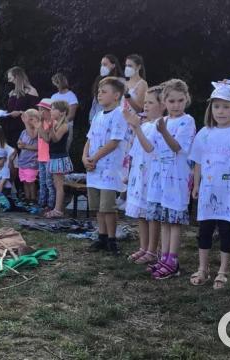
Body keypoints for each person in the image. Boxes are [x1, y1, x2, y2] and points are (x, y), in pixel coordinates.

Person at [188, 85, 230, 289]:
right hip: (208, 191)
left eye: (225, 107)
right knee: (204, 230)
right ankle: (203, 268)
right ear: (210, 109)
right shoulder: (204, 132)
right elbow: (197, 161)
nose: (220, 111)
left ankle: (223, 270)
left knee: (226, 230)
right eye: (216, 107)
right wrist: (196, 184)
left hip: (229, 192)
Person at [147, 79, 196, 280]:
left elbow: (177, 147)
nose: (176, 105)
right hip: (162, 179)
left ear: (186, 100)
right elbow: (153, 149)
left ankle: (173, 260)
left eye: (180, 101)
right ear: (164, 102)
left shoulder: (188, 121)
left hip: (177, 178)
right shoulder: (162, 122)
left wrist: (164, 132)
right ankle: (164, 256)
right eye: (172, 101)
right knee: (165, 220)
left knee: (174, 221)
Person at [84, 77, 128, 255]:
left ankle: (112, 239)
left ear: (116, 95)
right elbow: (89, 138)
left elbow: (114, 142)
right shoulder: (97, 115)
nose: (99, 94)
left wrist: (94, 158)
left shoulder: (119, 114)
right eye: (99, 91)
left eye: (104, 92)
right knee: (97, 207)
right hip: (94, 169)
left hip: (109, 169)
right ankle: (101, 237)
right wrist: (84, 157)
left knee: (108, 207)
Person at [123, 86, 165, 265]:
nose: (145, 106)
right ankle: (143, 247)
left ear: (162, 105)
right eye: (145, 102)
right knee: (141, 213)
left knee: (151, 215)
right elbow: (134, 151)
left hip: (152, 175)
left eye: (150, 102)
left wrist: (136, 128)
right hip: (139, 174)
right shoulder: (145, 124)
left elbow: (151, 149)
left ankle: (152, 250)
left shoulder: (161, 125)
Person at [41, 100, 74, 218]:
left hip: (60, 157)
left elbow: (56, 139)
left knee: (59, 185)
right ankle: (57, 209)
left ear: (62, 112)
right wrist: (40, 123)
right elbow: (46, 138)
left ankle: (58, 210)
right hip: (54, 156)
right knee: (56, 185)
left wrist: (50, 128)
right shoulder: (55, 124)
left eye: (54, 109)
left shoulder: (65, 125)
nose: (51, 111)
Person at [0, 67, 40, 150]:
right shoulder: (12, 92)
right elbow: (8, 109)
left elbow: (35, 112)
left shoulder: (31, 91)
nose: (9, 81)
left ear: (17, 77)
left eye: (10, 78)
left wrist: (20, 112)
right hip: (9, 128)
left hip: (23, 128)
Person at [89, 55, 122, 124]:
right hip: (97, 118)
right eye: (101, 65)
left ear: (113, 65)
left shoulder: (120, 81)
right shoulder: (99, 80)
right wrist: (91, 118)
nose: (102, 67)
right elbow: (95, 102)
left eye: (105, 64)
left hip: (113, 120)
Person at [51, 73, 79, 151]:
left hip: (66, 127)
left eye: (56, 83)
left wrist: (60, 124)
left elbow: (71, 115)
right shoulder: (54, 96)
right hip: (53, 127)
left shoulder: (71, 96)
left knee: (63, 149)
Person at [36, 99, 56, 211]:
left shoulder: (52, 123)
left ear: (47, 111)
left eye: (41, 110)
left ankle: (51, 204)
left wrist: (39, 125)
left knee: (49, 182)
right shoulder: (42, 123)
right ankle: (41, 203)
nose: (39, 112)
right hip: (41, 157)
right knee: (42, 181)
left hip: (49, 157)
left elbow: (47, 139)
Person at [17, 109, 39, 204]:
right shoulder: (23, 132)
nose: (27, 121)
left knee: (31, 181)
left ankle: (33, 199)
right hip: (23, 161)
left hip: (32, 162)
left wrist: (25, 146)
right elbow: (19, 142)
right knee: (25, 181)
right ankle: (27, 198)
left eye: (29, 119)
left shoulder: (36, 131)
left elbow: (36, 145)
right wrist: (20, 144)